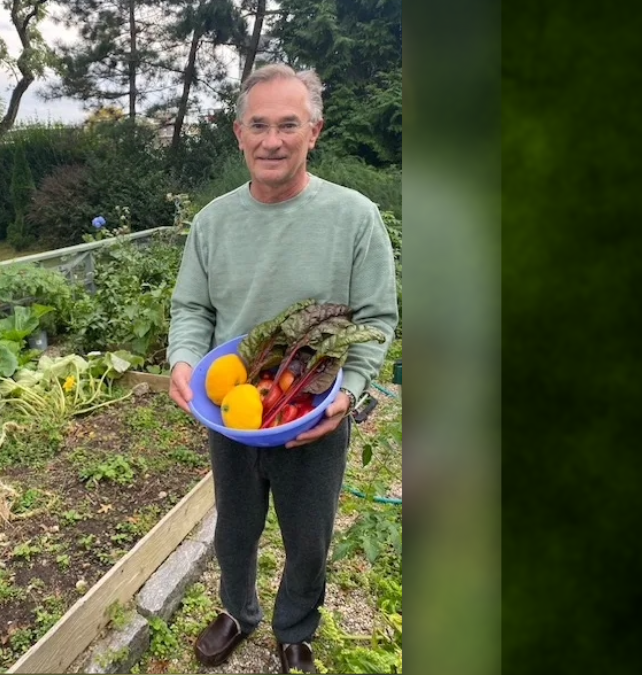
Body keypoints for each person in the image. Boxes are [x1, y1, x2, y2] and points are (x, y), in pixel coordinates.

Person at [166, 63, 399, 674]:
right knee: (234, 531)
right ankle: (237, 612)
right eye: (259, 125)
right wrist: (184, 358)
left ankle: (295, 629)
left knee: (309, 539)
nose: (272, 140)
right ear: (238, 133)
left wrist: (349, 392)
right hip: (232, 413)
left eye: (289, 125)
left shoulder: (354, 217)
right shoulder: (213, 222)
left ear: (313, 132)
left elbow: (377, 316)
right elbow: (191, 307)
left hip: (312, 410)